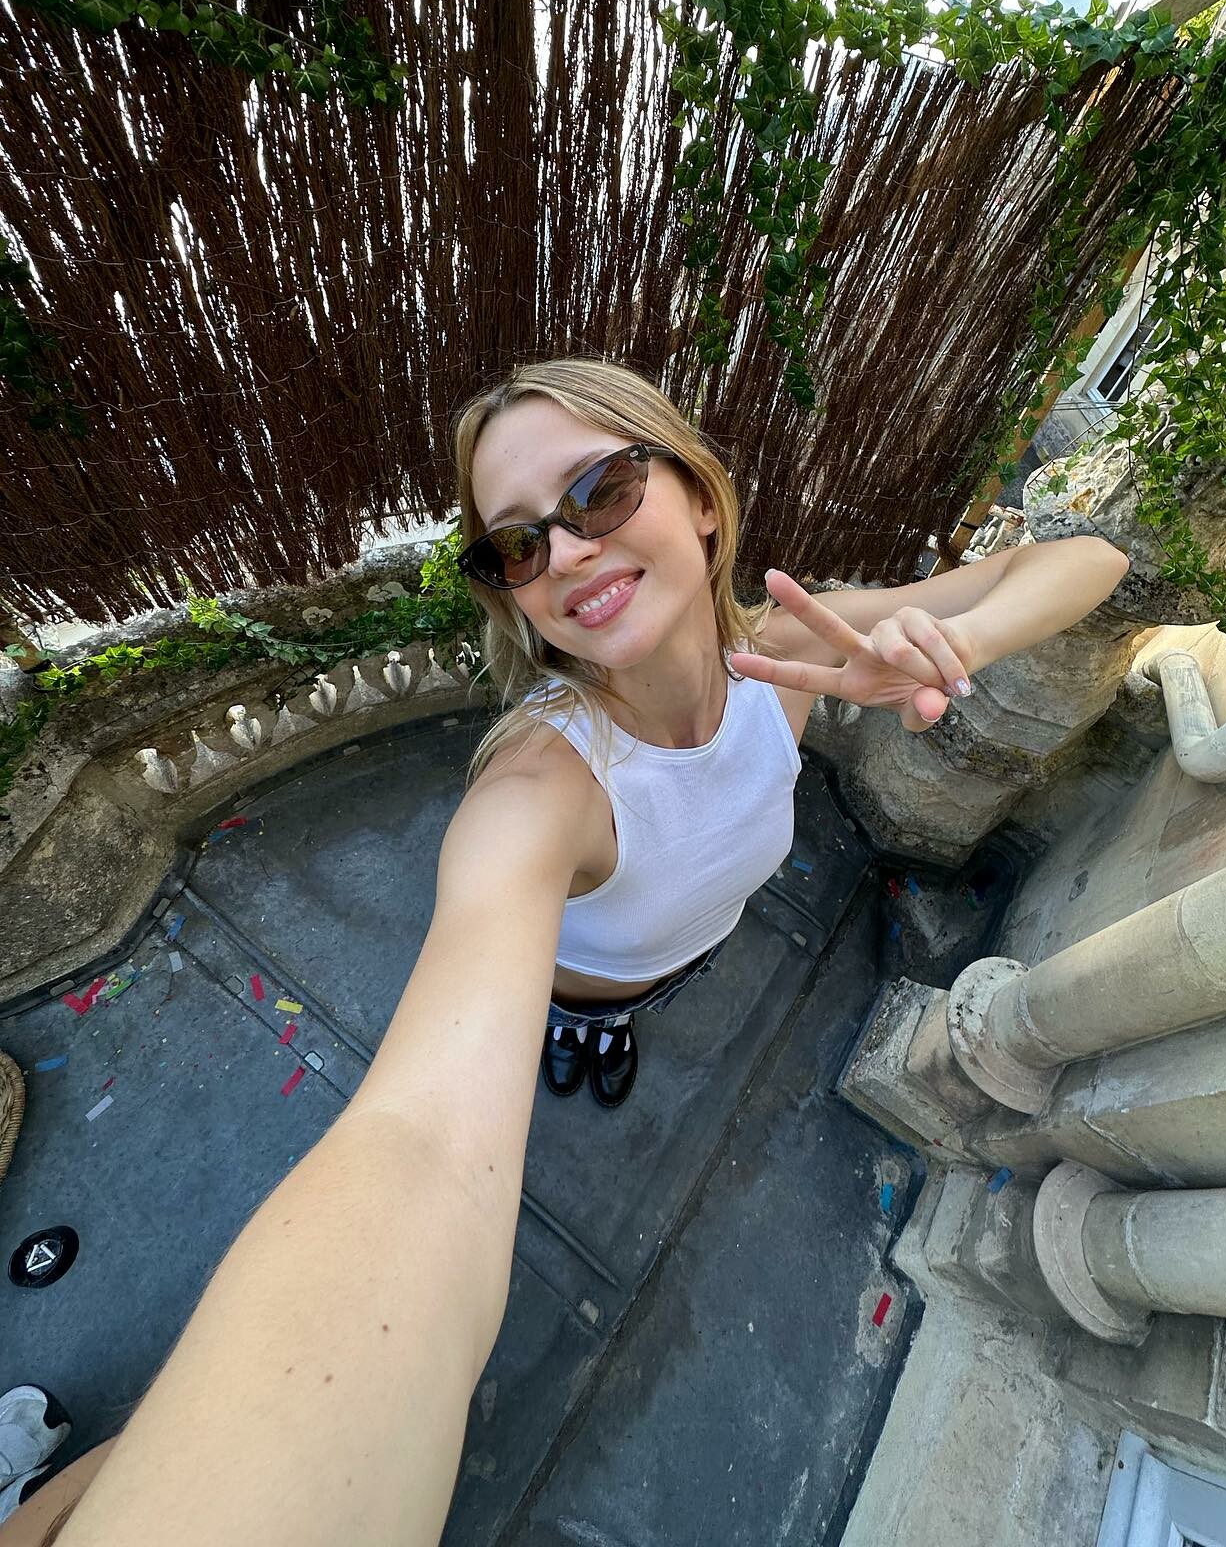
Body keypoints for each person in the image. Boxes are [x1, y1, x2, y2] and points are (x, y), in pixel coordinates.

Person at [2, 357, 1129, 1546]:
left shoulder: (793, 652)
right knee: (582, 1027)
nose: (569, 553)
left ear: (701, 496)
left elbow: (1090, 562)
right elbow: (420, 1146)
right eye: (517, 545)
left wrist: (955, 639)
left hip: (678, 959)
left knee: (628, 1014)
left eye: (601, 490)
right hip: (577, 982)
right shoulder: (542, 790)